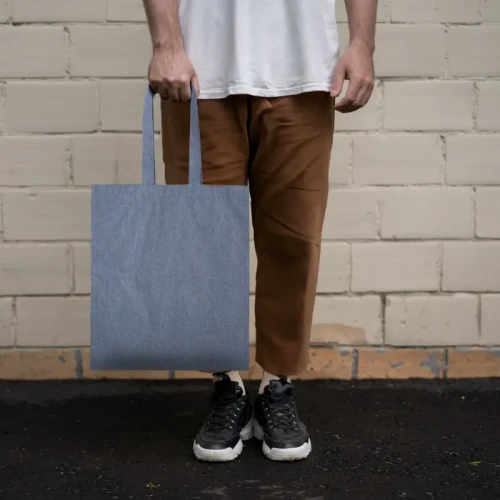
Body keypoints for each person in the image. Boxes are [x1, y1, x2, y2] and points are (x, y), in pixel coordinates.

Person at [143, 0, 376, 462]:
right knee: (205, 245)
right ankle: (226, 385)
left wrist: (362, 43)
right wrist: (165, 44)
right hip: (199, 72)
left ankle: (276, 386)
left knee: (295, 241)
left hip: (304, 69)